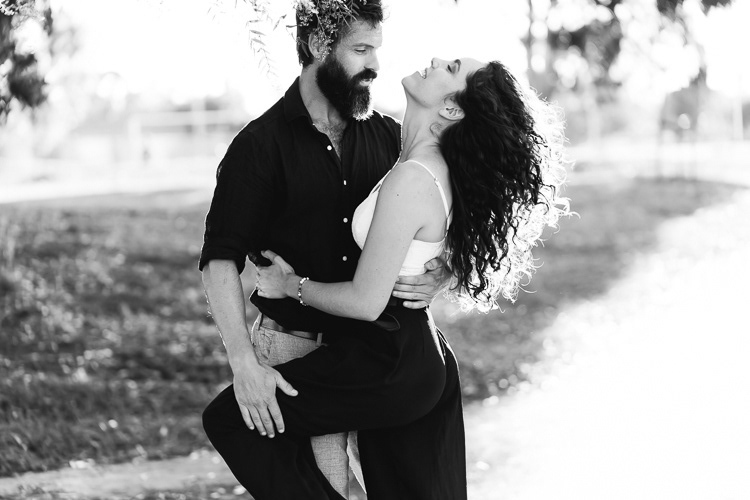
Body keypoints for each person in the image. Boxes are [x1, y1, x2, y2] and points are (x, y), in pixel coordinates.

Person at [202, 54, 569, 499]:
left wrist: (289, 286)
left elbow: (365, 302)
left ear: (451, 108)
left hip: (389, 356)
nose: (436, 60)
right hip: (404, 352)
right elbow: (439, 234)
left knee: (228, 419)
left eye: (452, 68)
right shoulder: (416, 159)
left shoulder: (412, 177)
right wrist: (444, 267)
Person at [198, 1, 447, 497]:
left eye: (376, 49)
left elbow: (435, 211)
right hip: (292, 350)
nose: (375, 65)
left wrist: (444, 269)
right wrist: (243, 362)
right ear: (318, 45)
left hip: (373, 355)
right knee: (324, 485)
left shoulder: (389, 138)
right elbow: (219, 261)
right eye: (361, 49)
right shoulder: (259, 145)